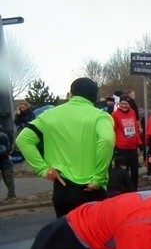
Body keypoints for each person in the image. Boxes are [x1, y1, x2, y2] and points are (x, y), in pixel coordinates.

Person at [16, 78, 114, 217]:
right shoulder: (100, 116)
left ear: (71, 94)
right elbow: (107, 140)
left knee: (65, 235)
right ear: (94, 97)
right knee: (93, 237)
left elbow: (22, 140)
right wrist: (98, 177)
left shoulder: (49, 115)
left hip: (62, 188)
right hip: (91, 189)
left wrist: (43, 169)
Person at [111, 96, 143, 190]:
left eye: (126, 104)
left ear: (130, 105)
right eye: (122, 104)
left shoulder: (133, 112)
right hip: (121, 147)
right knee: (122, 171)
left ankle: (134, 189)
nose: (124, 106)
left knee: (134, 170)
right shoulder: (115, 114)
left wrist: (139, 143)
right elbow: (113, 129)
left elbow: (135, 129)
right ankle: (123, 190)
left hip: (132, 147)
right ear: (119, 104)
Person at [0, 130, 17, 203]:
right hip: (5, 159)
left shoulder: (2, 136)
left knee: (8, 179)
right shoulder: (3, 135)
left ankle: (11, 196)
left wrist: (6, 154)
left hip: (5, 161)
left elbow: (5, 149)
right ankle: (11, 196)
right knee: (9, 179)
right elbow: (8, 148)